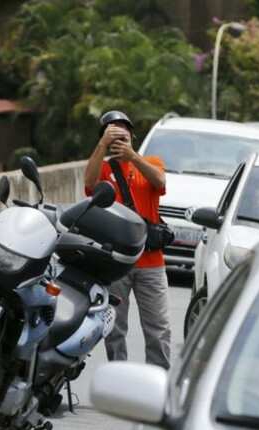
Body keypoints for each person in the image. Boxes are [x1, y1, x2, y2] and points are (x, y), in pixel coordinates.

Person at [84, 110, 171, 369]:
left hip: (151, 263)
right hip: (116, 263)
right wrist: (102, 145)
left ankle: (159, 380)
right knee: (115, 327)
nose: (120, 136)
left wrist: (133, 156)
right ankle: (118, 377)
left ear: (133, 136)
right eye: (113, 132)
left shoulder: (151, 162)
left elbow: (160, 181)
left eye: (124, 131)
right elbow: (88, 184)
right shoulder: (104, 169)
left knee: (158, 328)